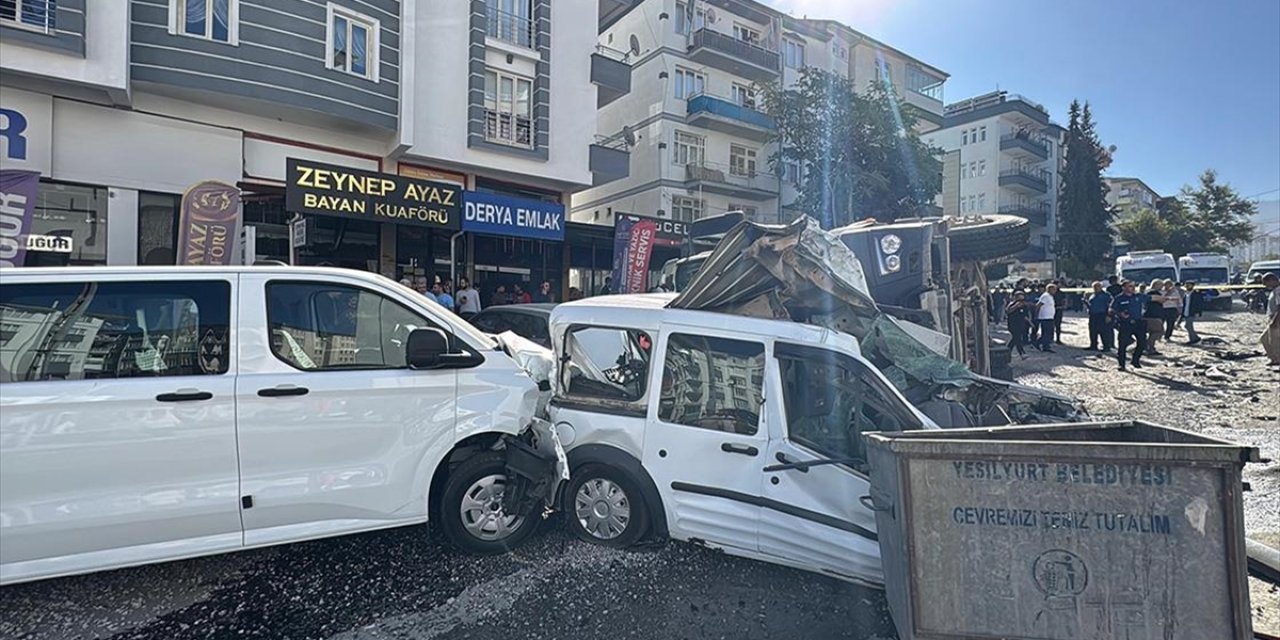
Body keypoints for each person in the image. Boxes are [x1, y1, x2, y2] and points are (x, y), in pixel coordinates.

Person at [1111, 280, 1148, 371]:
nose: (1133, 288)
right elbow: (1111, 309)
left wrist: (1168, 298)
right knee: (1122, 344)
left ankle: (1135, 360)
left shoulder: (1138, 296)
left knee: (1142, 343)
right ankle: (1121, 364)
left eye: (1133, 286)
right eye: (1130, 286)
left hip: (1138, 322)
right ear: (1124, 288)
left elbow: (1152, 298)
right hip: (1125, 323)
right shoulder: (1119, 298)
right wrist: (1120, 314)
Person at [1085, 281, 1113, 352]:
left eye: (1097, 286)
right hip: (1093, 315)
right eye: (1094, 287)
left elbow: (1111, 306)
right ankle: (1093, 345)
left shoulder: (1106, 295)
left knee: (1104, 332)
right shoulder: (1092, 295)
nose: (1096, 288)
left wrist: (1109, 315)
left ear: (1101, 287)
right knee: (1093, 331)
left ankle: (1106, 347)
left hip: (1102, 315)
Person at [1005, 290, 1031, 358]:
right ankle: (1022, 353)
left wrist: (1030, 322)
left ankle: (1007, 351)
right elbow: (1008, 311)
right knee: (1018, 338)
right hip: (1013, 325)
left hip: (1021, 324)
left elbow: (1025, 315)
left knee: (1015, 339)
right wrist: (1016, 306)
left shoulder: (1024, 305)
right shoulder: (1012, 304)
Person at [1261, 273, 1280, 366]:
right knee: (1264, 339)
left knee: (1274, 342)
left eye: (1266, 283)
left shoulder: (1278, 291)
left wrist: (1275, 320)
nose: (1265, 286)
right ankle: (1273, 358)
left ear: (1272, 280)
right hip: (1273, 319)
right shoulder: (1275, 290)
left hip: (1277, 320)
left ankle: (1276, 359)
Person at [1143, 279, 1165, 355]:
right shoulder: (1154, 293)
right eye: (1161, 286)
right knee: (1158, 331)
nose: (1162, 287)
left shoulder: (1146, 292)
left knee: (1152, 332)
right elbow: (1161, 301)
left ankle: (1148, 347)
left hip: (1147, 315)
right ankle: (1149, 347)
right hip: (1154, 316)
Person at [1034, 283, 1057, 353]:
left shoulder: (1050, 296)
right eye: (1054, 289)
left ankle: (1043, 345)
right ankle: (1040, 344)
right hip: (1045, 317)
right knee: (1047, 332)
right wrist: (1036, 315)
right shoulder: (1045, 296)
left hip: (1049, 317)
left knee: (1048, 333)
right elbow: (1038, 305)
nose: (1055, 291)